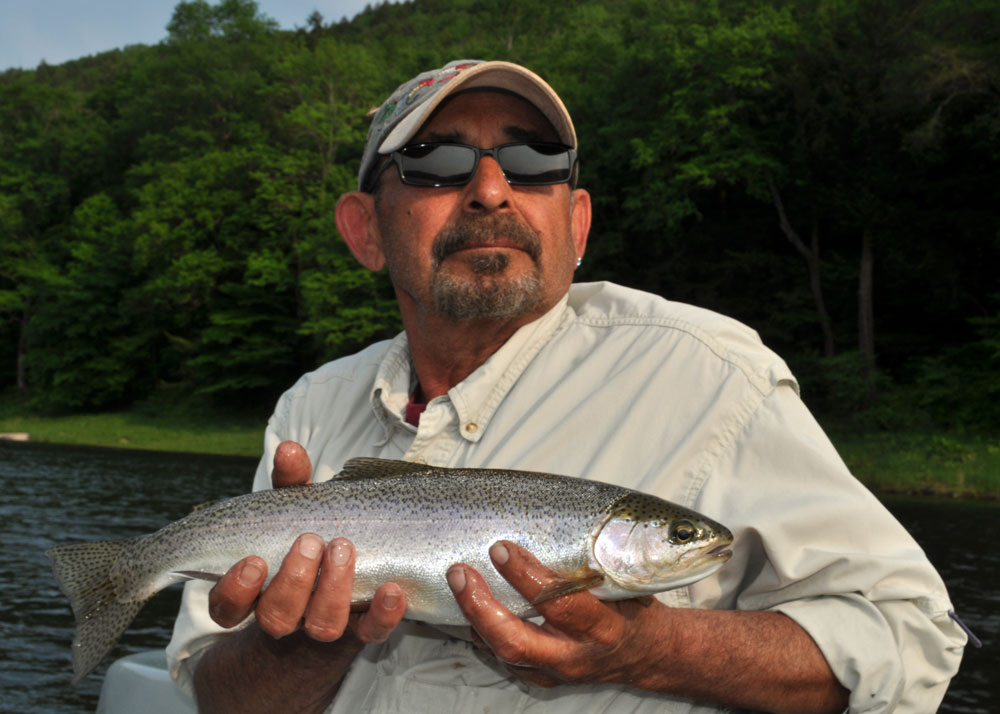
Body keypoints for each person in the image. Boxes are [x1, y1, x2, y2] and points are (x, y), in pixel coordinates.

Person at [166, 59, 966, 714]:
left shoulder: (711, 374)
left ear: (577, 223)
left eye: (532, 162)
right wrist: (311, 639)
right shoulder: (311, 407)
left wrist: (654, 650)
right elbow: (220, 700)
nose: (490, 190)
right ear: (364, 230)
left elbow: (913, 640)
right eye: (437, 162)